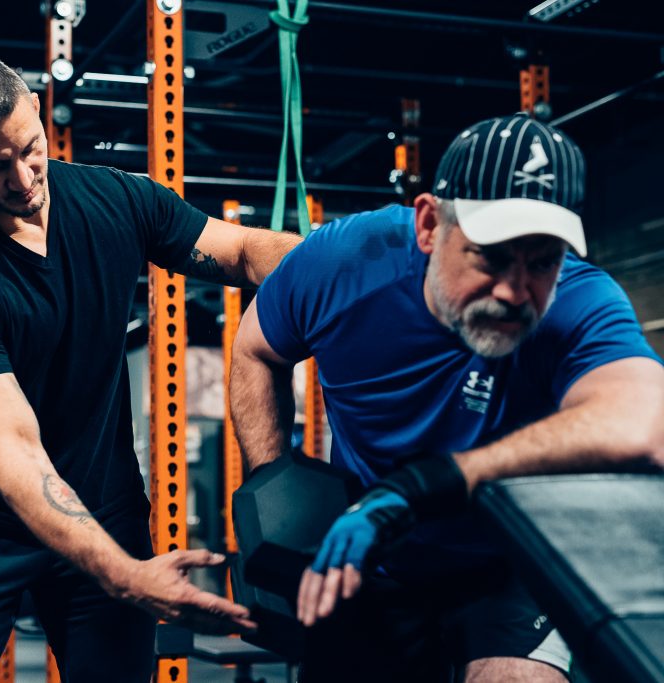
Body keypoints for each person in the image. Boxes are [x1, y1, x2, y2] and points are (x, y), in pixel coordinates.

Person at [0, 52, 301, 683]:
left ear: (37, 112)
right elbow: (18, 458)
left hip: (106, 505)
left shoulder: (113, 198)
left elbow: (245, 250)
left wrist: (349, 271)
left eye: (31, 149)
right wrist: (125, 575)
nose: (25, 179)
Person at [230, 113, 664, 682]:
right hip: (371, 556)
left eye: (541, 261)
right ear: (430, 224)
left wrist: (427, 484)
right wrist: (276, 492)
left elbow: (645, 424)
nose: (514, 290)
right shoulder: (344, 264)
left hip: (510, 559)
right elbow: (254, 350)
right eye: (490, 256)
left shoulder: (579, 299)